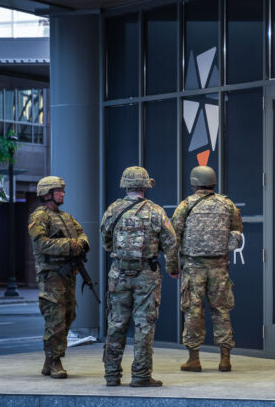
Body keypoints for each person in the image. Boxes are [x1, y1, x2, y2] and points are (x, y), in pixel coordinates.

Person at [100, 166, 179, 387]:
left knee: (116, 324)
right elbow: (171, 244)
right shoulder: (156, 211)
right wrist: (173, 268)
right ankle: (141, 375)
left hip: (118, 273)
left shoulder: (113, 210)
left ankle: (112, 375)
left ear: (125, 185)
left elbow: (105, 242)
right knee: (144, 326)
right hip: (146, 274)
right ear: (146, 185)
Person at [173, 165, 243, 372]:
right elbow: (236, 233)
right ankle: (225, 359)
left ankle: (193, 359)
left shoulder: (185, 205)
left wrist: (172, 265)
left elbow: (173, 237)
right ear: (213, 182)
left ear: (193, 182)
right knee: (221, 311)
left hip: (193, 269)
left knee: (193, 312)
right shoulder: (228, 205)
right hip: (219, 267)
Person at [28, 176, 90, 379]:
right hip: (51, 277)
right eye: (58, 191)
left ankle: (48, 360)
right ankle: (55, 361)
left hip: (69, 275)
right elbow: (41, 244)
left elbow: (82, 235)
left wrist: (80, 243)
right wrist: (72, 245)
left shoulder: (66, 216)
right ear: (47, 194)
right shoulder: (39, 217)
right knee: (55, 320)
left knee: (69, 315)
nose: (63, 193)